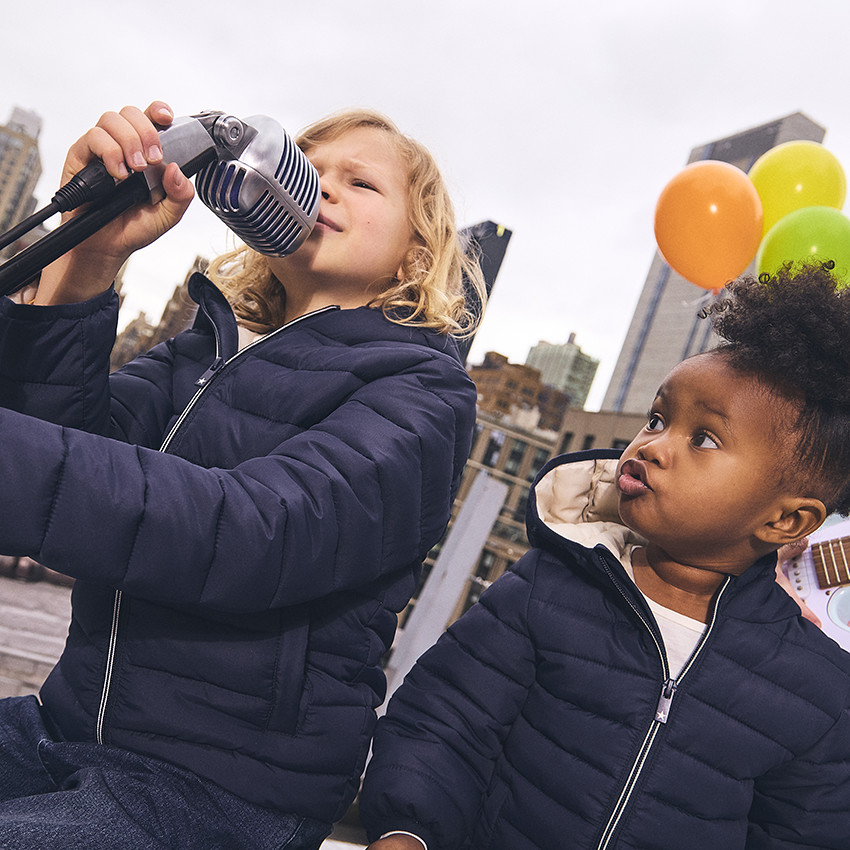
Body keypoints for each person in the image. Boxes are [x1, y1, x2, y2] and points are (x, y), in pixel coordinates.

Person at [0, 100, 484, 849]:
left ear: (418, 253)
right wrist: (89, 256)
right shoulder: (207, 347)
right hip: (64, 726)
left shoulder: (423, 391)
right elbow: (65, 454)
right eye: (307, 166)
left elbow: (255, 533)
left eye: (360, 183)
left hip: (219, 794)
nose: (320, 186)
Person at [359, 261, 850, 850]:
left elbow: (801, 834)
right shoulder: (550, 588)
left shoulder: (819, 689)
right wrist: (408, 830)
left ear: (786, 520)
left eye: (704, 438)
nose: (651, 446)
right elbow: (446, 723)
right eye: (657, 418)